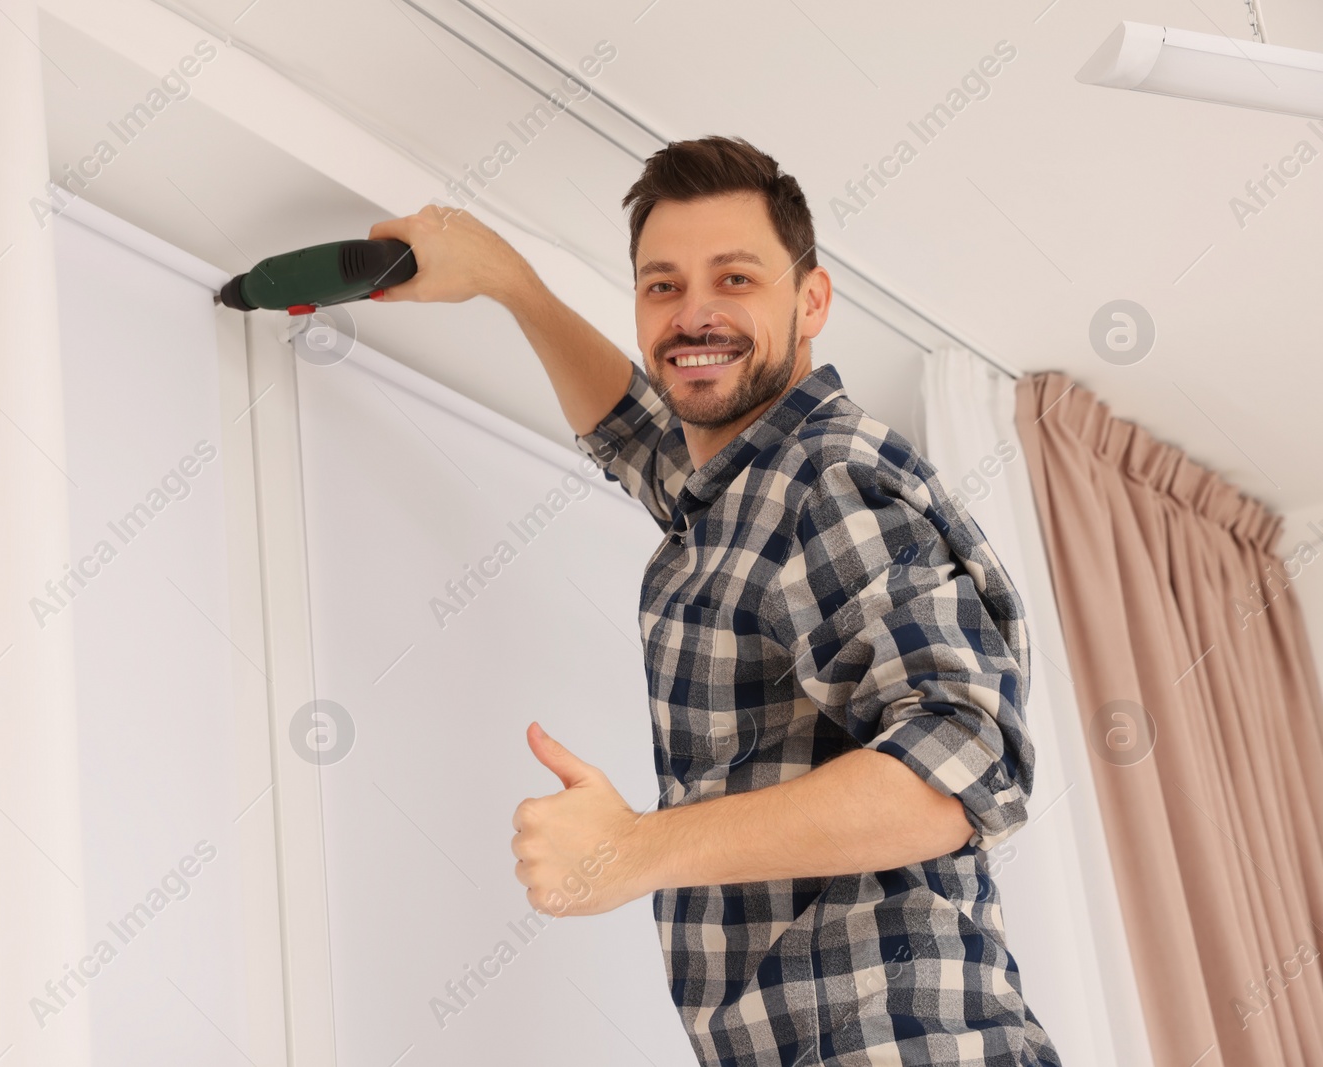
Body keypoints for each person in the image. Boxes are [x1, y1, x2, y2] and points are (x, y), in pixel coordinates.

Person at [367, 135, 1062, 1067]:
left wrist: (633, 850)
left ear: (809, 300)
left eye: (735, 279)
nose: (694, 315)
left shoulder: (825, 476)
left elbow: (958, 764)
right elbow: (641, 438)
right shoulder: (745, 492)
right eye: (663, 286)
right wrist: (511, 283)